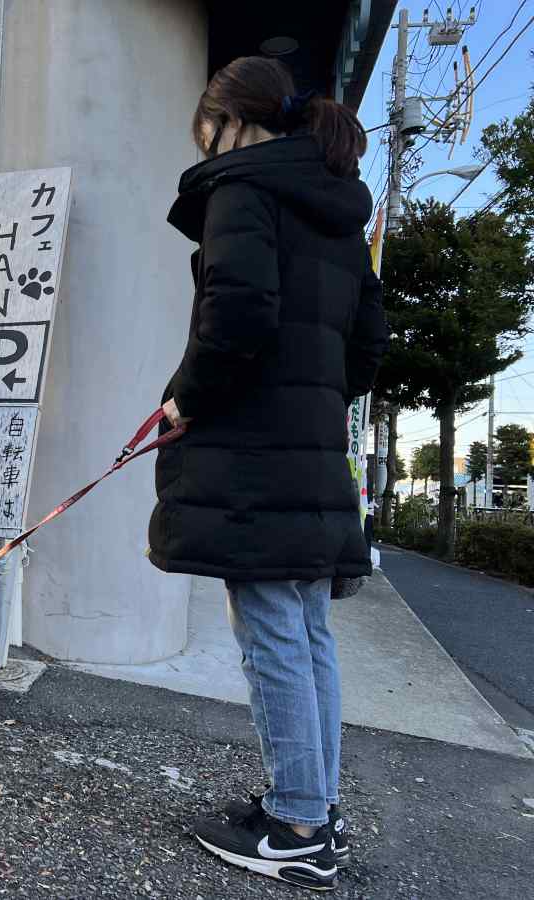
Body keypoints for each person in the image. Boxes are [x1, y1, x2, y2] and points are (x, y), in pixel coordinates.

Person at [148, 56, 388, 892]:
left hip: (251, 451)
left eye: (205, 132)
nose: (205, 147)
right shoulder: (338, 213)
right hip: (313, 449)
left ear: (231, 124)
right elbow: (367, 350)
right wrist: (310, 393)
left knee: (272, 632)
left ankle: (294, 824)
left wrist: (185, 397)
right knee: (307, 631)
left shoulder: (241, 189)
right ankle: (313, 809)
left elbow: (238, 317)